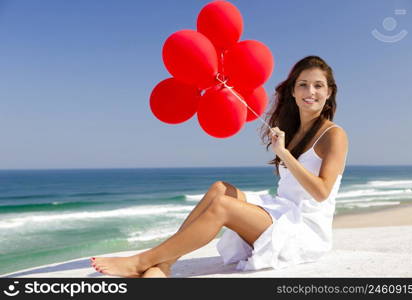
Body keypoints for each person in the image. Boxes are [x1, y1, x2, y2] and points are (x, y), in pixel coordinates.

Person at [90, 55, 349, 277]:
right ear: (293, 91)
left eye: (318, 86)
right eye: (303, 85)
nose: (310, 92)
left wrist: (284, 154)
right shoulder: (294, 132)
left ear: (329, 93)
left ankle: (141, 261)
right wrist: (285, 148)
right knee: (220, 189)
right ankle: (166, 263)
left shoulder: (333, 135)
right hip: (283, 210)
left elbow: (321, 192)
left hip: (304, 230)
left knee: (223, 207)